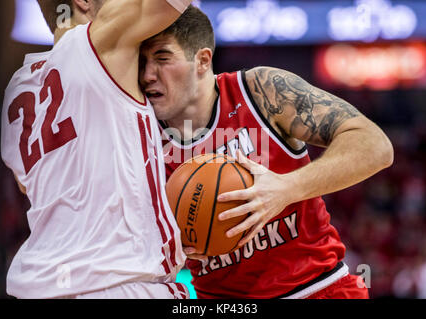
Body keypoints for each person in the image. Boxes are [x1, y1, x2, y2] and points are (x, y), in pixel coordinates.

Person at [139, 5, 394, 299]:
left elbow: (376, 145)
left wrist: (284, 188)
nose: (147, 75)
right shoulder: (140, 137)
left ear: (202, 61)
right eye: (142, 61)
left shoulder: (261, 91)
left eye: (162, 58)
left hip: (317, 288)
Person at [0, 0, 193, 299]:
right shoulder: (96, 42)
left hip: (40, 286)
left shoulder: (18, 85)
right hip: (117, 282)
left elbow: (28, 185)